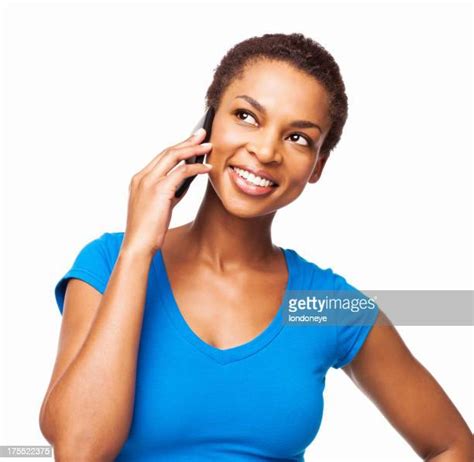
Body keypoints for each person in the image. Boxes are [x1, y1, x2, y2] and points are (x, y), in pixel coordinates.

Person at [39, 33, 472, 461]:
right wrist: (137, 250)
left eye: (298, 138)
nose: (265, 150)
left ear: (317, 165)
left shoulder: (322, 304)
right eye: (246, 116)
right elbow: (80, 451)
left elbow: (453, 446)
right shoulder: (107, 263)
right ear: (207, 124)